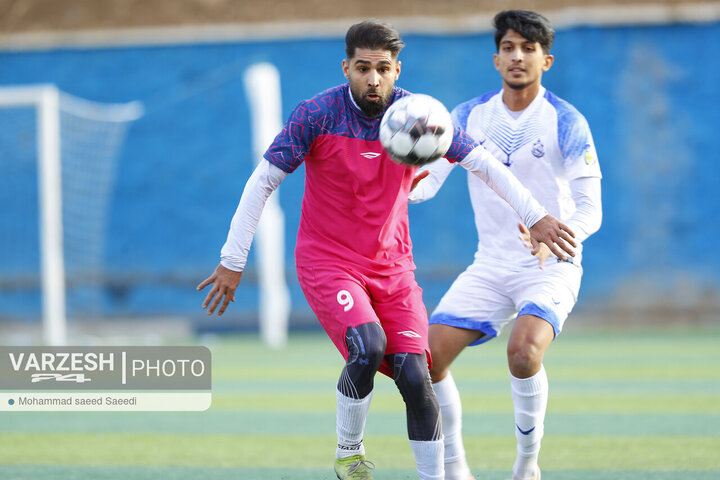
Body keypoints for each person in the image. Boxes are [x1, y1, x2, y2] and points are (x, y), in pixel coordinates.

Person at [197, 18, 576, 480]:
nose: (372, 78)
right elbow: (262, 183)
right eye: (362, 68)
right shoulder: (315, 115)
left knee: (419, 378)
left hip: (393, 269)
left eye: (382, 68)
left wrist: (536, 215)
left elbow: (485, 165)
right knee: (368, 346)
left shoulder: (421, 117)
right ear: (346, 68)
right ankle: (349, 452)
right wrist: (232, 262)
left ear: (397, 70)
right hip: (328, 262)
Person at [408, 10, 603, 480]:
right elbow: (428, 183)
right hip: (490, 265)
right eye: (510, 47)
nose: (518, 56)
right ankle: (455, 469)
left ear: (546, 60)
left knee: (523, 351)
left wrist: (558, 242)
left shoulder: (566, 121)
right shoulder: (466, 117)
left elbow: (590, 209)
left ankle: (526, 466)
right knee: (425, 362)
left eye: (529, 48)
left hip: (551, 263)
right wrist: (398, 184)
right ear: (496, 59)